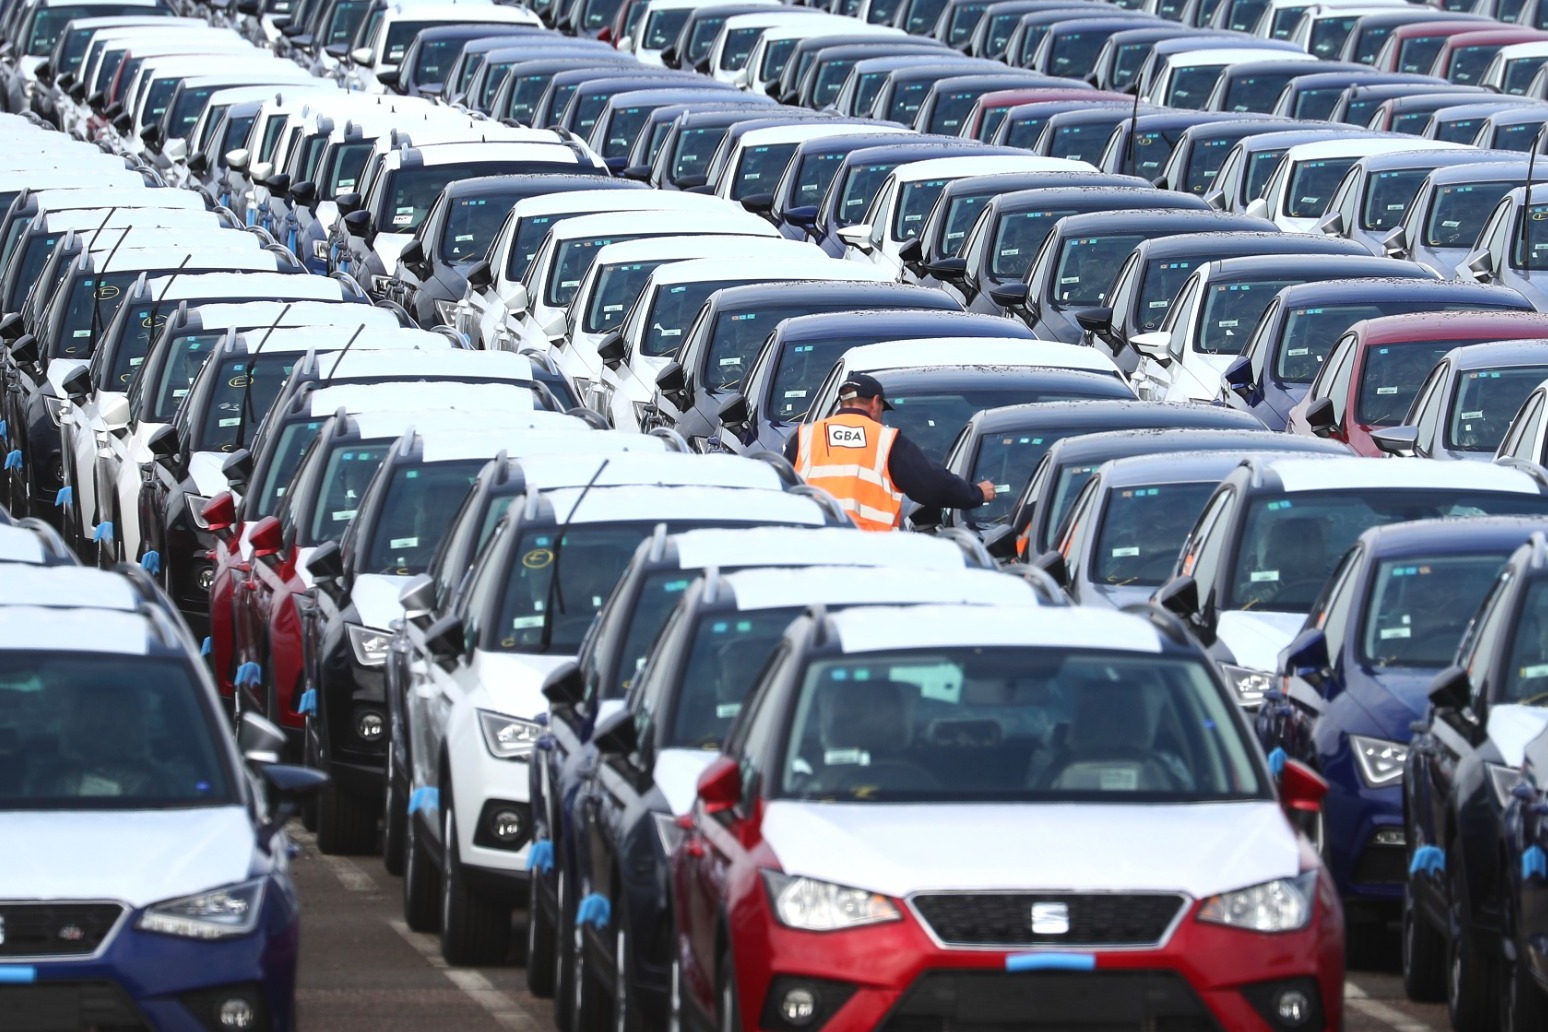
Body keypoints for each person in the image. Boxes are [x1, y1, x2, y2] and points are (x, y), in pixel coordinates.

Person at [785, 373, 995, 531]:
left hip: (811, 544)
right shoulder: (886, 440)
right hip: (867, 550)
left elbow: (779, 487)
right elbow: (932, 484)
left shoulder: (804, 436)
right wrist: (976, 493)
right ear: (876, 402)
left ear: (843, 403)